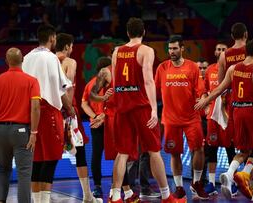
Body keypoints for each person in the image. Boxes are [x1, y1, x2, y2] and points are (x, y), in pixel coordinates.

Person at [109, 17, 185, 203]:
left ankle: (116, 196)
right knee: (153, 151)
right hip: (141, 107)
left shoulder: (116, 52)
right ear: (143, 32)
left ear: (127, 33)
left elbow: (114, 80)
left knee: (122, 153)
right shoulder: (146, 50)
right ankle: (167, 196)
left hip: (122, 107)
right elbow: (149, 81)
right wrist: (153, 109)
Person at [195, 39, 253, 201]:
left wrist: (205, 101)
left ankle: (229, 173)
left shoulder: (233, 69)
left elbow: (219, 89)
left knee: (243, 150)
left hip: (237, 112)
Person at [22, 24, 75, 203]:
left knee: (36, 159)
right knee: (51, 159)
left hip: (30, 112)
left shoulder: (27, 57)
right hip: (48, 111)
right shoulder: (51, 58)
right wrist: (70, 108)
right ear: (52, 38)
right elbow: (61, 87)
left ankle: (37, 201)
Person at [155, 35, 209, 200]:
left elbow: (201, 91)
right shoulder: (162, 68)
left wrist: (202, 100)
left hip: (191, 118)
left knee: (199, 149)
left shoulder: (192, 67)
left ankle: (197, 183)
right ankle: (179, 187)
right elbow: (154, 90)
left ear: (182, 48)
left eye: (175, 48)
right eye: (170, 48)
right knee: (174, 153)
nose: (171, 51)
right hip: (170, 119)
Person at [0, 48, 40, 203]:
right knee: (23, 172)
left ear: (6, 61)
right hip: (22, 131)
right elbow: (35, 107)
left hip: (1, 129)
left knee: (2, 170)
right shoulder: (31, 81)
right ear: (22, 60)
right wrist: (34, 133)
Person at [55, 33, 102, 203]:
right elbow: (68, 86)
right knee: (80, 153)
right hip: (68, 110)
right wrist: (68, 108)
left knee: (48, 155)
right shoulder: (70, 62)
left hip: (51, 111)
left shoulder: (48, 61)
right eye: (72, 46)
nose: (72, 50)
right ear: (67, 46)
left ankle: (40, 198)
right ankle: (87, 196)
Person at [88, 58, 140, 203]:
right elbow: (91, 95)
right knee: (121, 155)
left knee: (123, 156)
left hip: (128, 117)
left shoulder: (132, 71)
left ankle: (121, 192)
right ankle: (117, 193)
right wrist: (103, 99)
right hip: (113, 118)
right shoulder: (106, 72)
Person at [203, 42, 228, 196]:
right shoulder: (209, 70)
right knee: (212, 148)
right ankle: (211, 183)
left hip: (227, 113)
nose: (220, 51)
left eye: (224, 49)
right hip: (213, 114)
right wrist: (206, 104)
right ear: (214, 52)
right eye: (218, 49)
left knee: (230, 147)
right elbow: (205, 91)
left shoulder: (233, 69)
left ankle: (233, 183)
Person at [81, 57, 108, 198]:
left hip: (106, 122)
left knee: (118, 156)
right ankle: (98, 186)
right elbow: (83, 103)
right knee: (98, 155)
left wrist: (96, 116)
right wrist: (97, 116)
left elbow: (84, 104)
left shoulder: (93, 83)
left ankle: (122, 185)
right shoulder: (93, 84)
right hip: (99, 124)